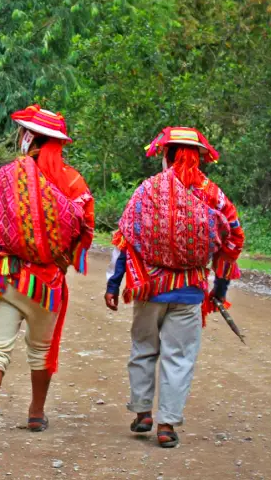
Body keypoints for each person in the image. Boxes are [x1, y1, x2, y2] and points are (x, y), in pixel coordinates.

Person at [104, 126, 245, 449]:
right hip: (191, 290)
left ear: (165, 156)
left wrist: (114, 284)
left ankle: (142, 413)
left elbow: (126, 240)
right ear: (198, 159)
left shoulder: (147, 190)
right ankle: (167, 424)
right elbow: (233, 240)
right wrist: (219, 289)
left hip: (149, 289)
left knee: (144, 348)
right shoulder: (213, 194)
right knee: (179, 357)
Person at [0, 105, 95, 450]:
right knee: (40, 350)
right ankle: (36, 412)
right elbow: (84, 232)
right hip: (48, 285)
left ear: (28, 138)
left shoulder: (5, 176)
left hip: (8, 278)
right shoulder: (72, 181)